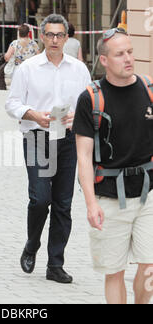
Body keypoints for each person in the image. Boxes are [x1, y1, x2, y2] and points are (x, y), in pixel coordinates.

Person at [5, 14, 91, 284]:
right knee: (41, 199)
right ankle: (32, 244)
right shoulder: (28, 68)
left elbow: (90, 105)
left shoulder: (79, 69)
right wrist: (32, 114)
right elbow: (12, 103)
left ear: (67, 38)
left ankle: (56, 264)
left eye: (59, 35)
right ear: (41, 37)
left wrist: (76, 115)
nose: (54, 40)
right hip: (37, 137)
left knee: (63, 204)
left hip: (67, 140)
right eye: (49, 35)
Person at [73, 28, 153, 304]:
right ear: (104, 60)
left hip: (148, 194)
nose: (128, 58)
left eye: (130, 51)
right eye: (120, 54)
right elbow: (83, 156)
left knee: (150, 266)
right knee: (114, 271)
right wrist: (90, 204)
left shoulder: (149, 89)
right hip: (108, 196)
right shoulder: (90, 98)